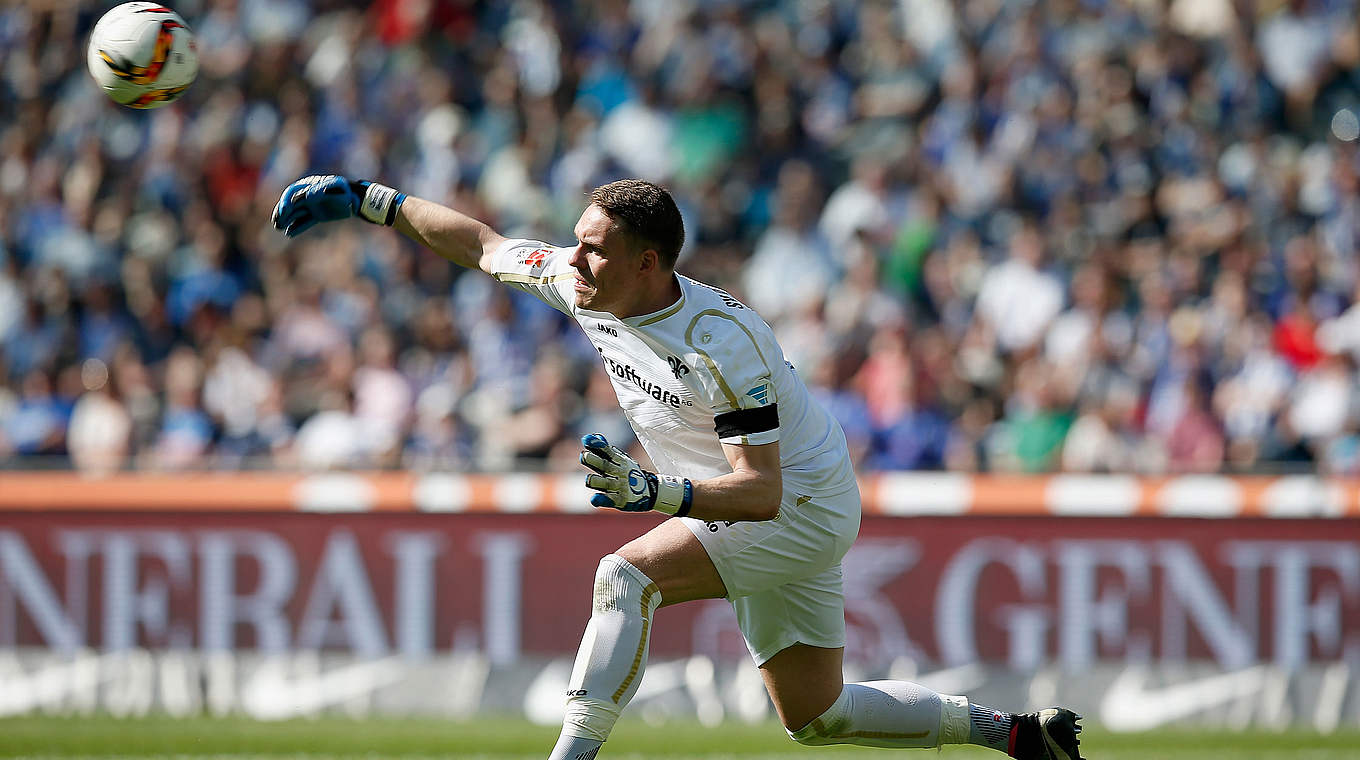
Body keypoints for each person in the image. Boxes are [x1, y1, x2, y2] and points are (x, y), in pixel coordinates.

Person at [271, 174, 1085, 760]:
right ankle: (1012, 736)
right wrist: (369, 200)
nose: (573, 263)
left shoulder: (721, 346)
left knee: (625, 577)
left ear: (650, 265)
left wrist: (653, 492)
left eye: (595, 253)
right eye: (578, 244)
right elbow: (482, 245)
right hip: (754, 500)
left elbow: (761, 491)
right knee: (818, 718)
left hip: (795, 505)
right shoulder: (586, 282)